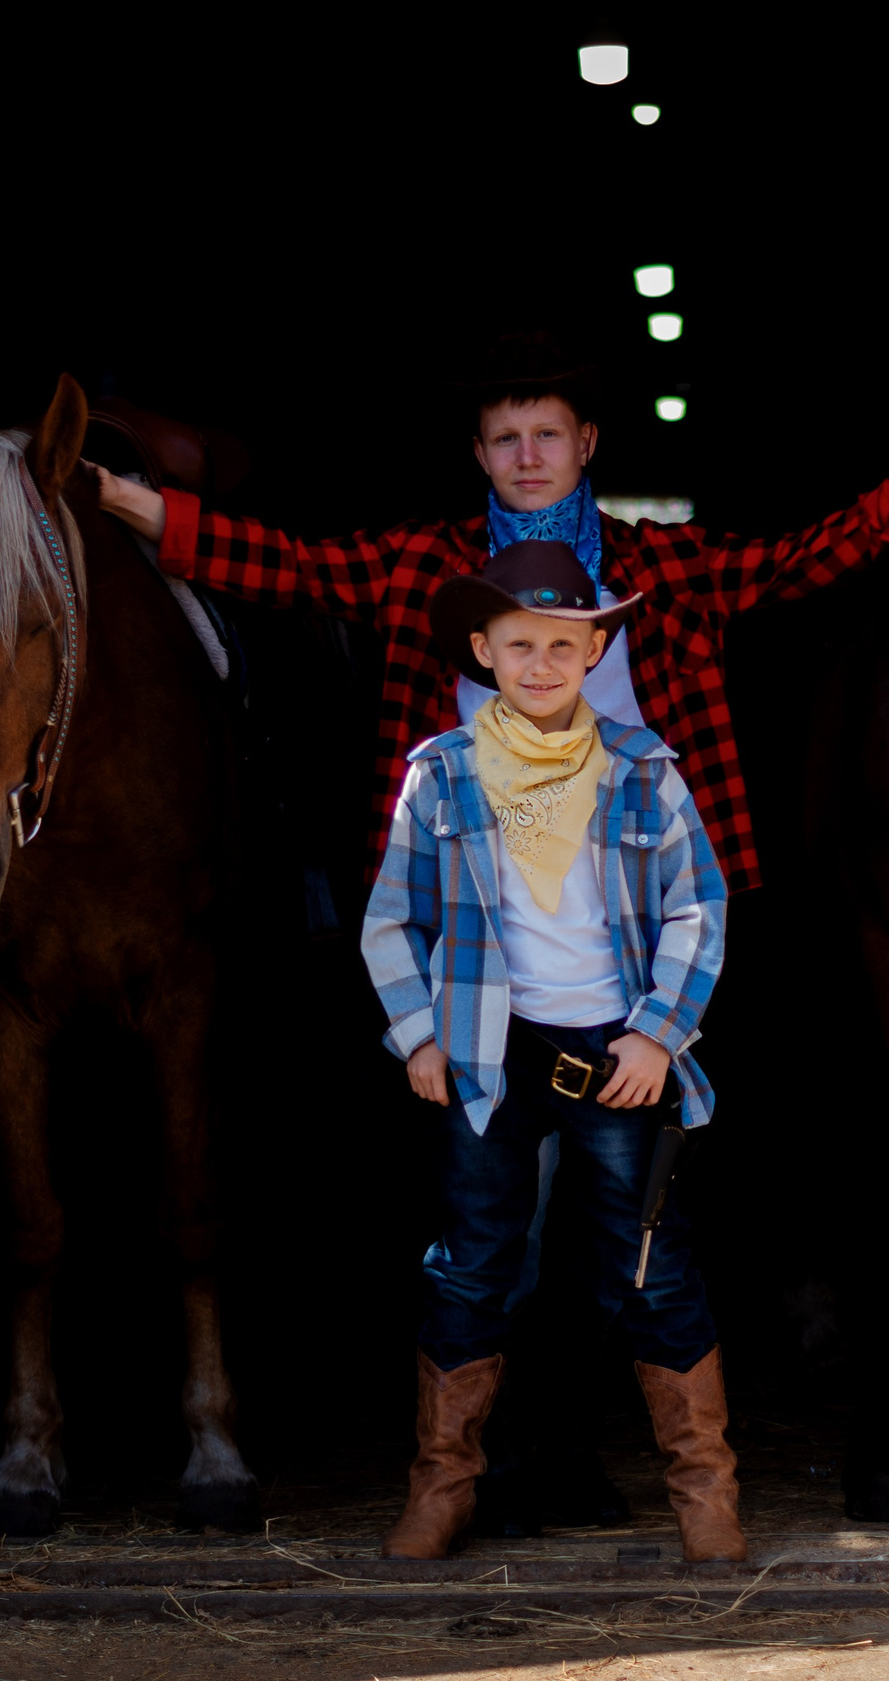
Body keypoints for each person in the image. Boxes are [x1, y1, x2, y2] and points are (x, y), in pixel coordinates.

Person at [92, 334, 889, 890]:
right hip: (471, 888)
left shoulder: (663, 564)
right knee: (483, 1159)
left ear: (586, 443)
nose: (528, 456)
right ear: (478, 453)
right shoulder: (420, 564)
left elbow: (800, 559)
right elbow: (284, 566)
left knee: (630, 1152)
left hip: (634, 885)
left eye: (547, 434)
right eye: (507, 439)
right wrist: (123, 500)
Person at [360, 539, 738, 1562]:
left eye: (563, 646)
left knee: (650, 1267)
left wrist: (659, 1031)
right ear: (482, 650)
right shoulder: (441, 776)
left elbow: (696, 907)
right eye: (519, 644)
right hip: (488, 1053)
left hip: (614, 1052)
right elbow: (390, 919)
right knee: (472, 1263)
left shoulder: (640, 769)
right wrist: (417, 1034)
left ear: (594, 651)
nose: (539, 665)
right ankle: (442, 1486)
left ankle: (705, 1493)